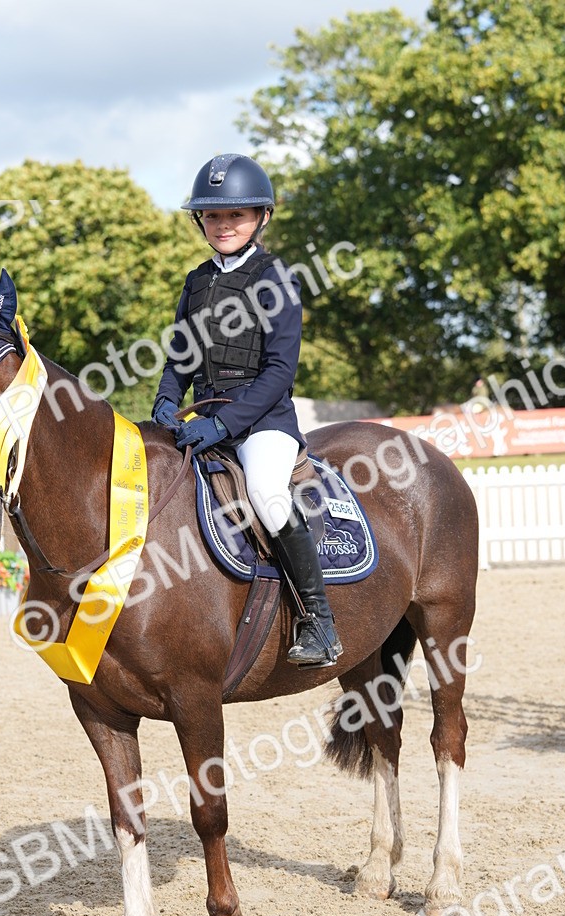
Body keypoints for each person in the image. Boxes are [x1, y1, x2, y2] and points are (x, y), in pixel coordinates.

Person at [151, 153, 341, 667]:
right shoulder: (196, 281)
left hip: (262, 423)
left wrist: (223, 425)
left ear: (261, 217)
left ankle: (318, 622)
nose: (223, 225)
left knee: (266, 493)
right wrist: (167, 400)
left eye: (235, 215)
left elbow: (280, 373)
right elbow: (180, 357)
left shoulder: (276, 277)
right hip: (203, 419)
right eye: (213, 216)